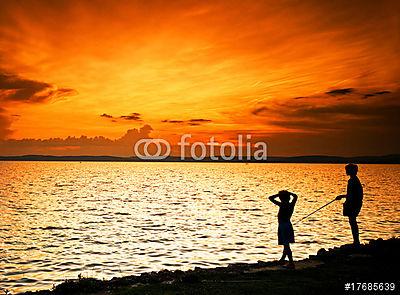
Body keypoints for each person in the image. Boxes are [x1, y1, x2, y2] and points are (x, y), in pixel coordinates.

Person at [336, 164, 363, 246]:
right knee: (352, 221)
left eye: (347, 170)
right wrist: (342, 196)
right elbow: (352, 194)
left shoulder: (352, 181)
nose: (346, 171)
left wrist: (342, 197)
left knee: (352, 222)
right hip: (356, 203)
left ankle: (356, 241)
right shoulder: (355, 180)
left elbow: (351, 195)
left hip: (353, 204)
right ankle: (356, 241)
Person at [269, 190, 298, 269]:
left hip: (283, 226)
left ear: (281, 198)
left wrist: (278, 195)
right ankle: (282, 259)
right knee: (286, 244)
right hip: (288, 225)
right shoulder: (291, 204)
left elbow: (270, 198)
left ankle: (291, 263)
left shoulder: (282, 204)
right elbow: (295, 196)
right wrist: (289, 193)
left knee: (286, 245)